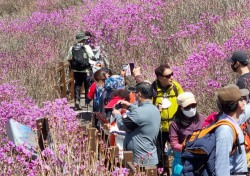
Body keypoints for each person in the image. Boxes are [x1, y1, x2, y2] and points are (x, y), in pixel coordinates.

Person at [112, 82, 161, 166]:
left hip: (140, 160)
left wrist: (117, 114)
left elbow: (122, 126)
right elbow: (144, 113)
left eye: (135, 93)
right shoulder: (154, 109)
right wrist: (130, 106)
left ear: (139, 94)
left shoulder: (139, 112)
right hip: (150, 156)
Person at [169, 92, 205, 176]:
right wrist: (188, 148)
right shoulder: (175, 124)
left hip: (201, 158)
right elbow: (174, 144)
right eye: (187, 107)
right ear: (180, 108)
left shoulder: (202, 118)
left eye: (193, 105)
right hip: (183, 159)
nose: (191, 109)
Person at [215, 84, 248, 175]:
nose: (244, 101)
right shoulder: (225, 130)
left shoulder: (233, 120)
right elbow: (221, 167)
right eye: (242, 99)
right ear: (239, 104)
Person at [66, 32, 97, 110]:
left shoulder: (72, 47)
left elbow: (68, 58)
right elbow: (92, 56)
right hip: (86, 70)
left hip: (76, 70)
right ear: (83, 40)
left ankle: (77, 102)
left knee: (77, 86)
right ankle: (88, 102)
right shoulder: (86, 47)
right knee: (87, 85)